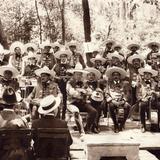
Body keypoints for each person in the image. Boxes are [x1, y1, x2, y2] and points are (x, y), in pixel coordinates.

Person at [0, 87, 32, 160]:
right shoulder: (22, 120)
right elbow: (27, 143)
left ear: (2, 104)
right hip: (19, 156)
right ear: (15, 105)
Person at [67, 63, 98, 134]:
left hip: (82, 103)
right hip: (72, 103)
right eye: (77, 74)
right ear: (74, 74)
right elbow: (73, 93)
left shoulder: (84, 82)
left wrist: (84, 91)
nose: (79, 76)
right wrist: (83, 92)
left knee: (94, 111)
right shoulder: (70, 83)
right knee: (76, 112)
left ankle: (87, 128)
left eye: (80, 74)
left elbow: (90, 92)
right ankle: (81, 130)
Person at [105, 67, 131, 133]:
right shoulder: (109, 84)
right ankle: (116, 124)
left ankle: (122, 124)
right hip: (113, 101)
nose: (116, 76)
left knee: (127, 106)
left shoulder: (125, 84)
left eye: (117, 75)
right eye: (114, 75)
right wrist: (111, 100)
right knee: (110, 106)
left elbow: (127, 93)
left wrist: (124, 100)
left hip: (122, 100)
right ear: (112, 76)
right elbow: (106, 93)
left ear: (120, 76)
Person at [137, 64, 159, 132]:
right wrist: (141, 98)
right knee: (142, 105)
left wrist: (154, 93)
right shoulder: (140, 83)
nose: (147, 75)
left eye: (149, 74)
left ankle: (156, 124)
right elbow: (137, 94)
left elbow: (158, 93)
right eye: (145, 74)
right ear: (143, 75)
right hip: (144, 100)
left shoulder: (155, 83)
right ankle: (142, 124)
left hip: (153, 100)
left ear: (151, 75)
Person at [53, 49, 72, 119]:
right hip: (58, 85)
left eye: (64, 56)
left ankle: (63, 117)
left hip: (66, 86)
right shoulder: (56, 66)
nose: (63, 58)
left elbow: (72, 76)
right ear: (60, 57)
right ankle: (57, 117)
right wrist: (58, 78)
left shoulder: (69, 66)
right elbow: (53, 75)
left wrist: (67, 78)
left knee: (64, 101)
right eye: (62, 56)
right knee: (57, 100)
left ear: (66, 57)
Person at [84, 67, 103, 133]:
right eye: (89, 75)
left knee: (99, 107)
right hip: (87, 101)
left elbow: (100, 94)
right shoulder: (84, 83)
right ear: (87, 76)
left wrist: (100, 91)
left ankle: (95, 125)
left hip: (95, 101)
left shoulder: (97, 83)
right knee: (93, 107)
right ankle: (93, 126)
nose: (91, 76)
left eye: (93, 75)